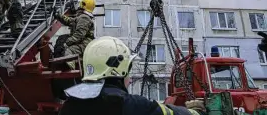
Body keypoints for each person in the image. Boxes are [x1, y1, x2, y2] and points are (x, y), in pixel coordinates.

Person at [59, 36, 206, 115]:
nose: (129, 81)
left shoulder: (69, 105)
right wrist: (196, 112)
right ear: (118, 70)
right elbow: (170, 113)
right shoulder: (128, 104)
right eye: (128, 71)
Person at [54, 0, 95, 69]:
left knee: (69, 50)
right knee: (61, 39)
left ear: (83, 5)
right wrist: (58, 15)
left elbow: (79, 35)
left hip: (84, 44)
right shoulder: (81, 17)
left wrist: (67, 43)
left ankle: (69, 68)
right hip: (83, 42)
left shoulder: (84, 18)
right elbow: (69, 21)